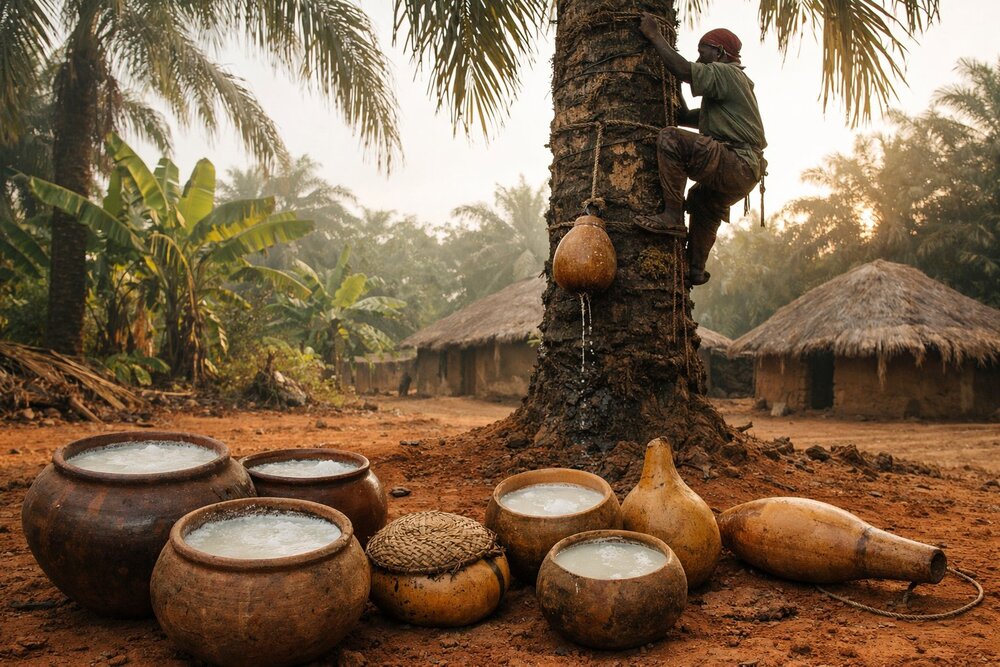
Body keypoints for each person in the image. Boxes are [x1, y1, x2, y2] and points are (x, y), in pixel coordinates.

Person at [637, 13, 767, 286]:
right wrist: (672, 82)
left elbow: (685, 71)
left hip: (737, 160)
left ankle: (672, 216)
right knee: (703, 203)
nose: (699, 59)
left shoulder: (728, 73)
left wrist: (654, 36)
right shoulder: (726, 95)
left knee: (671, 139)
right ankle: (694, 268)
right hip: (745, 171)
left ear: (719, 52)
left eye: (702, 52)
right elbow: (684, 116)